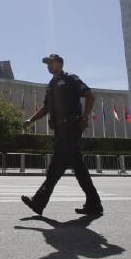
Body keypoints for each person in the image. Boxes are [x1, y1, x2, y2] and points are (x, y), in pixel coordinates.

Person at [21, 54, 103, 216]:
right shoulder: (51, 85)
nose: (48, 66)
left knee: (56, 166)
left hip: (72, 127)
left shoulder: (71, 79)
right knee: (77, 167)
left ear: (59, 64)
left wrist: (85, 117)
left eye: (50, 63)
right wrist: (31, 119)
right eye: (47, 64)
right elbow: (45, 109)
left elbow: (90, 96)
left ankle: (39, 202)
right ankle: (94, 204)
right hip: (60, 130)